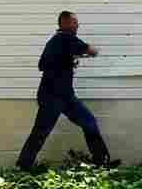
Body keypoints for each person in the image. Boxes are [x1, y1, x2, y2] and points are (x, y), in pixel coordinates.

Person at [16, 11, 115, 170]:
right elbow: (92, 51)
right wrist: (90, 52)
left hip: (65, 95)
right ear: (66, 23)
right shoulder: (66, 37)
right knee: (41, 132)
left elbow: (42, 64)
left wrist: (67, 60)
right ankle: (23, 165)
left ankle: (101, 161)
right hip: (52, 97)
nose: (77, 25)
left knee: (88, 122)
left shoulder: (54, 41)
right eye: (75, 22)